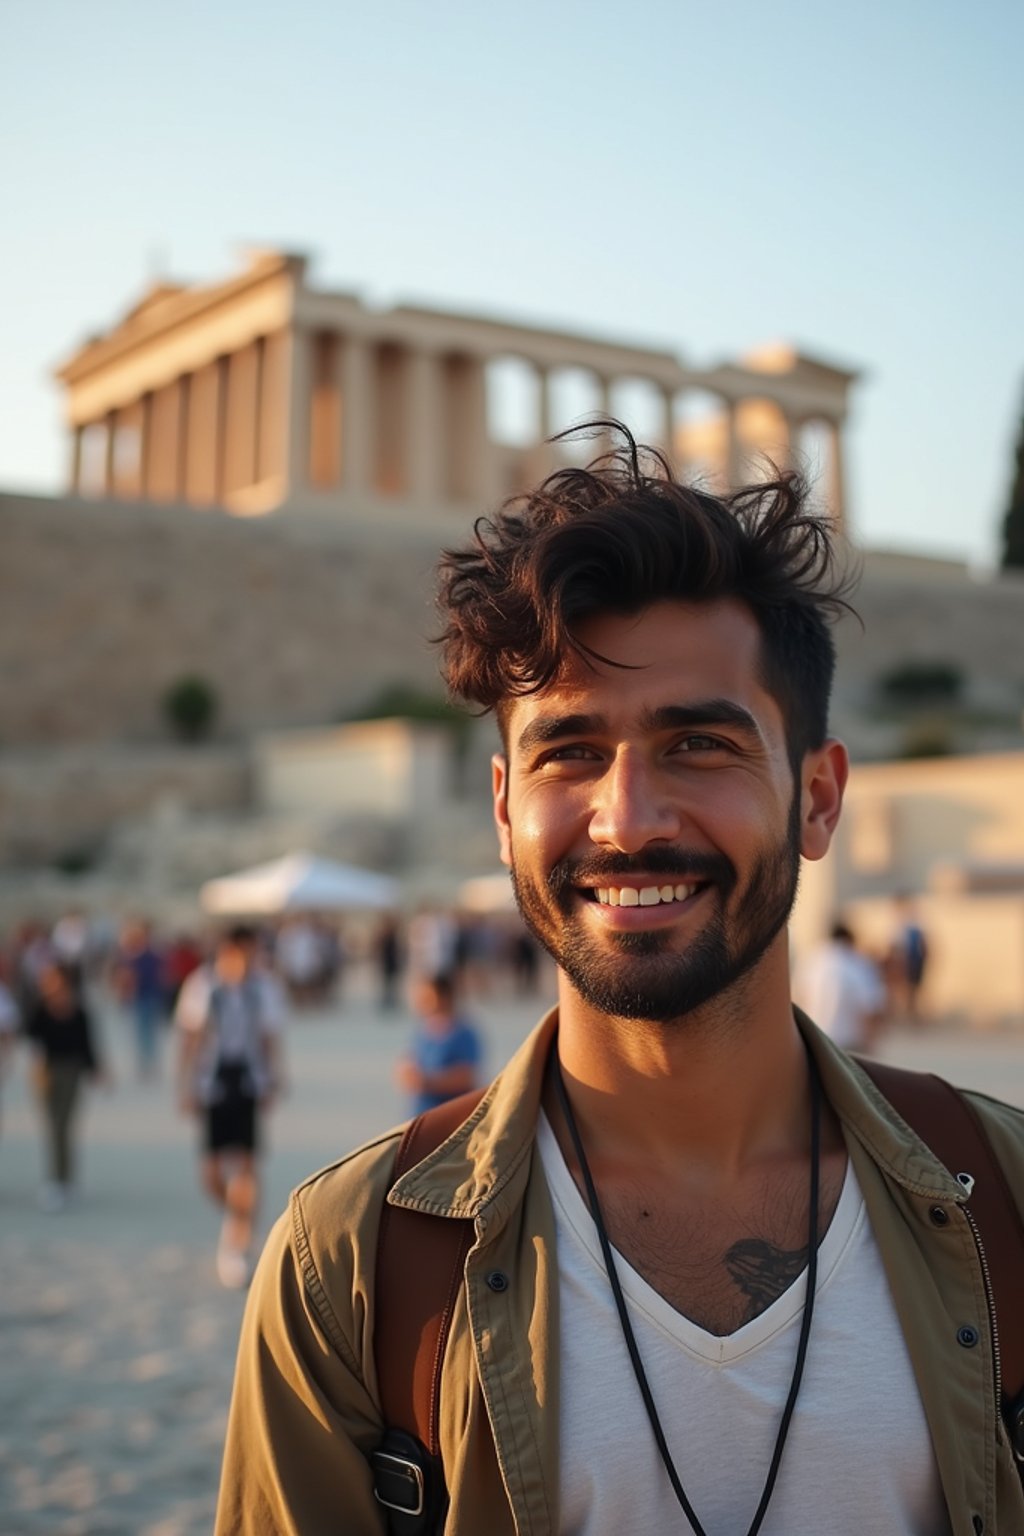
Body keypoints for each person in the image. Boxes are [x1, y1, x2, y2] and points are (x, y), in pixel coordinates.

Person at [217, 429, 1024, 1534]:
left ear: (819, 799)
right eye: (570, 752)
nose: (629, 820)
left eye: (699, 745)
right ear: (503, 810)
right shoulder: (347, 1271)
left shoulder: (1009, 1205)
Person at [175, 925, 287, 1289]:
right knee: (210, 1170)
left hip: (248, 1080)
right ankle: (238, 1216)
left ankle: (236, 1244)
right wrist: (185, 1085)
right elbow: (189, 1038)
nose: (252, 961)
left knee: (247, 1163)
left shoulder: (264, 987)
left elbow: (270, 1036)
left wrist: (273, 1078)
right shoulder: (203, 986)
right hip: (213, 1080)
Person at [24, 961, 108, 1210]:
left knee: (65, 1125)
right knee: (53, 1126)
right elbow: (31, 1039)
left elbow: (87, 1043)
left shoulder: (78, 1010)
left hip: (72, 1071)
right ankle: (55, 1180)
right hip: (46, 1072)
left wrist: (96, 1070)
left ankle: (65, 1180)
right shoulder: (40, 1008)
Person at [792, 920, 886, 1053]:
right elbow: (869, 1007)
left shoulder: (811, 961)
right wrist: (870, 1040)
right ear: (850, 940)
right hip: (848, 1044)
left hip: (814, 1039)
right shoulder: (858, 964)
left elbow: (798, 997)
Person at [395, 972, 482, 1116]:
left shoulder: (463, 1033)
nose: (421, 1001)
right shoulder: (423, 1031)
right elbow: (408, 1061)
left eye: (428, 997)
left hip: (449, 1119)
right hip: (420, 1116)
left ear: (445, 997)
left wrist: (428, 1083)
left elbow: (467, 1076)